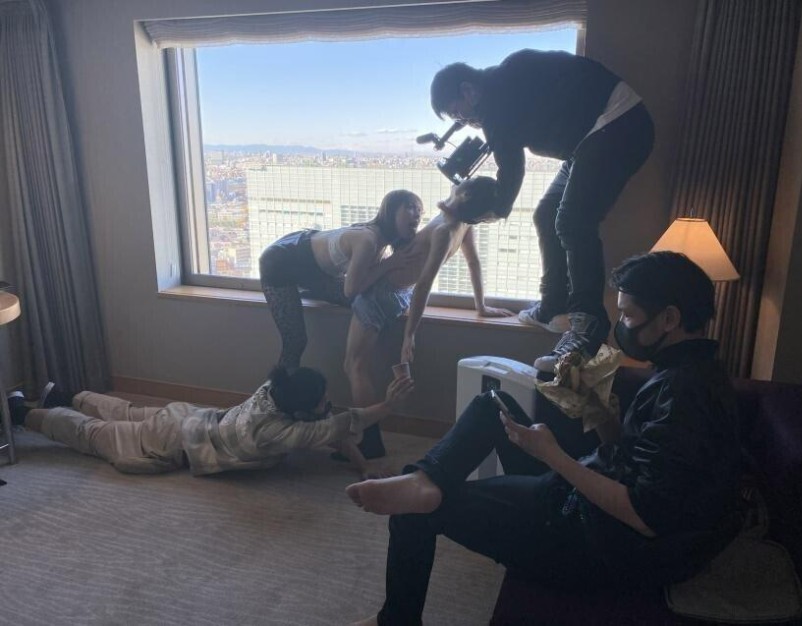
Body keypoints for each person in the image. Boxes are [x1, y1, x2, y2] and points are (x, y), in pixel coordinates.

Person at [345, 251, 742, 626]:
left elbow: (647, 515)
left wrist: (554, 457)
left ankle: (395, 618)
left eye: (628, 315)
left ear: (669, 318)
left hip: (592, 542)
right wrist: (600, 413)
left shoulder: (685, 395)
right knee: (492, 406)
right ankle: (425, 478)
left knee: (412, 510)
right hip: (589, 505)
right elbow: (639, 461)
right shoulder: (689, 372)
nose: (622, 325)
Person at [430, 49, 655, 371]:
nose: (466, 123)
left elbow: (511, 169)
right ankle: (552, 305)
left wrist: (494, 210)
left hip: (618, 124)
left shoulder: (497, 98)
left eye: (459, 114)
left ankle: (587, 325)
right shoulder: (504, 87)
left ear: (468, 91)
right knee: (547, 214)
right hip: (591, 141)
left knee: (574, 221)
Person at [7, 366, 413, 479]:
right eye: (322, 401)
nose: (329, 405)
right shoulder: (275, 431)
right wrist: (389, 405)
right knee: (96, 435)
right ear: (301, 411)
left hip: (187, 416)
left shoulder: (274, 390)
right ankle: (22, 413)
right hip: (173, 442)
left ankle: (62, 395)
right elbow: (338, 425)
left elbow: (332, 424)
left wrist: (363, 466)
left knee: (126, 411)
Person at [259, 189, 423, 459]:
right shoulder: (368, 240)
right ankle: (270, 414)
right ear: (390, 211)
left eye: (419, 210)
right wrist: (389, 264)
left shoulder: (381, 241)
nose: (416, 214)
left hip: (309, 264)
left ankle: (366, 439)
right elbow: (351, 290)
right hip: (280, 263)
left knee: (367, 300)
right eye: (410, 207)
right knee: (295, 341)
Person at [343, 176, 513, 417]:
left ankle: (367, 433)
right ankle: (370, 429)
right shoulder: (463, 223)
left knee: (354, 366)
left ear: (466, 196)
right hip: (400, 293)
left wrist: (409, 335)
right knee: (364, 364)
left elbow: (424, 284)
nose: (461, 180)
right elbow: (473, 262)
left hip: (381, 295)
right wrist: (481, 306)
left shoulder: (445, 230)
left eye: (467, 182)